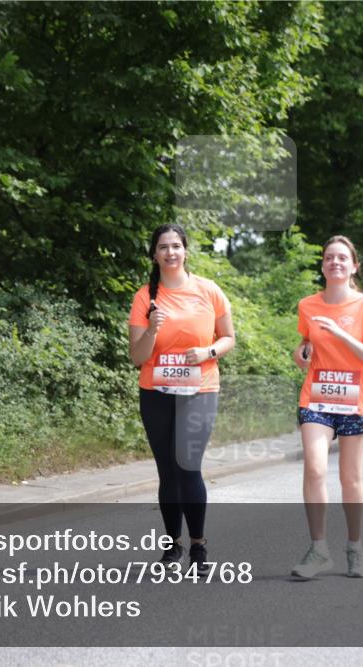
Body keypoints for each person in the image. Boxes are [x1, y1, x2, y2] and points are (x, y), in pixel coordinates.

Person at [128, 224, 234, 573]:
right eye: (163, 247)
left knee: (188, 466)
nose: (170, 252)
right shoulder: (146, 296)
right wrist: (154, 328)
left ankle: (199, 546)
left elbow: (229, 338)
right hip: (155, 391)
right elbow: (137, 356)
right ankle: (172, 547)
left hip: (199, 390)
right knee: (167, 472)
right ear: (154, 254)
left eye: (176, 246)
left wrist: (208, 351)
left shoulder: (209, 290)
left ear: (185, 250)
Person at [290, 236, 363, 579]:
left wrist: (342, 335)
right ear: (323, 265)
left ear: (354, 266)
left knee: (350, 477)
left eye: (343, 258)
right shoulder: (308, 305)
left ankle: (354, 547)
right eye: (329, 257)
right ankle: (318, 550)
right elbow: (304, 347)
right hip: (316, 398)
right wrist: (301, 354)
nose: (335, 262)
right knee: (315, 469)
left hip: (356, 400)